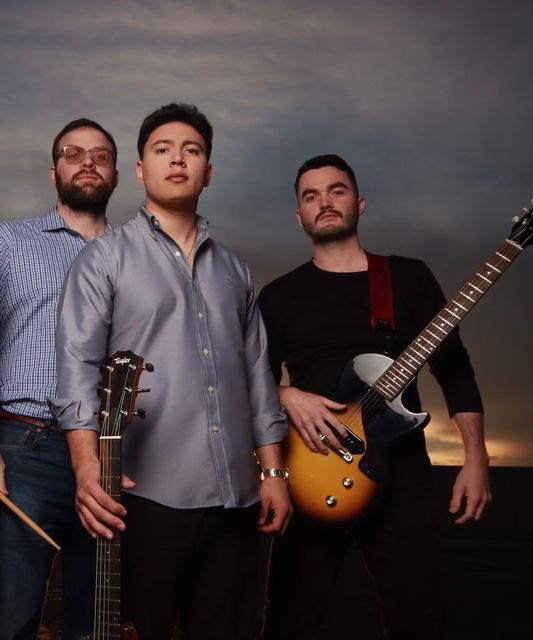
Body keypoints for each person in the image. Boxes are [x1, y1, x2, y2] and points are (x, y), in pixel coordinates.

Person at [50, 103, 292, 640]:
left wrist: (274, 474)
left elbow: (257, 379)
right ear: (140, 170)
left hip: (238, 498)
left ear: (208, 171)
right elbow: (76, 370)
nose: (177, 159)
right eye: (162, 150)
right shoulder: (104, 259)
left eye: (192, 150)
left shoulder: (235, 271)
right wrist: (87, 469)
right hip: (146, 498)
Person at [258, 154, 492, 639]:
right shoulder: (278, 296)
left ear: (359, 203)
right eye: (311, 195)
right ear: (299, 217)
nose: (324, 202)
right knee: (290, 619)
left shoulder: (408, 278)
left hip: (401, 475)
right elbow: (249, 379)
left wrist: (476, 456)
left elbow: (454, 369)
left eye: (337, 190)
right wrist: (284, 394)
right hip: (311, 467)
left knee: (420, 616)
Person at [0, 119, 118, 639]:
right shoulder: (8, 243)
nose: (87, 161)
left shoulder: (139, 256)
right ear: (54, 173)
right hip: (24, 446)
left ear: (117, 174)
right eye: (74, 153)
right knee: (12, 614)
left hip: (114, 455)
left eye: (100, 154)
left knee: (95, 621)